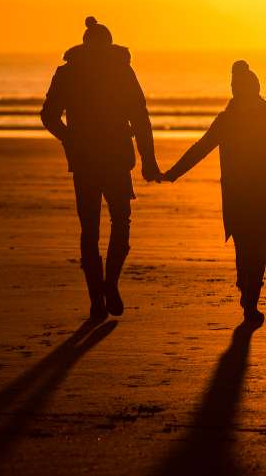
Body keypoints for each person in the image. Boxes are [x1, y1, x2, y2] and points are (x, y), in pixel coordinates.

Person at [162, 60, 266, 326]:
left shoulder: (232, 118)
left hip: (243, 195)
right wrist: (172, 173)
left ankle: (248, 297)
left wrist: (172, 174)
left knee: (247, 247)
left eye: (235, 87)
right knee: (257, 249)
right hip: (261, 194)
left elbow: (201, 148)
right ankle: (250, 299)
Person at [41, 17, 162, 320]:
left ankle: (103, 292)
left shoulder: (85, 73)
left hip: (103, 161)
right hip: (105, 160)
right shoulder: (113, 71)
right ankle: (104, 291)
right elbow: (141, 118)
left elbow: (49, 117)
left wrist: (71, 140)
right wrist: (147, 160)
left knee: (97, 228)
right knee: (113, 224)